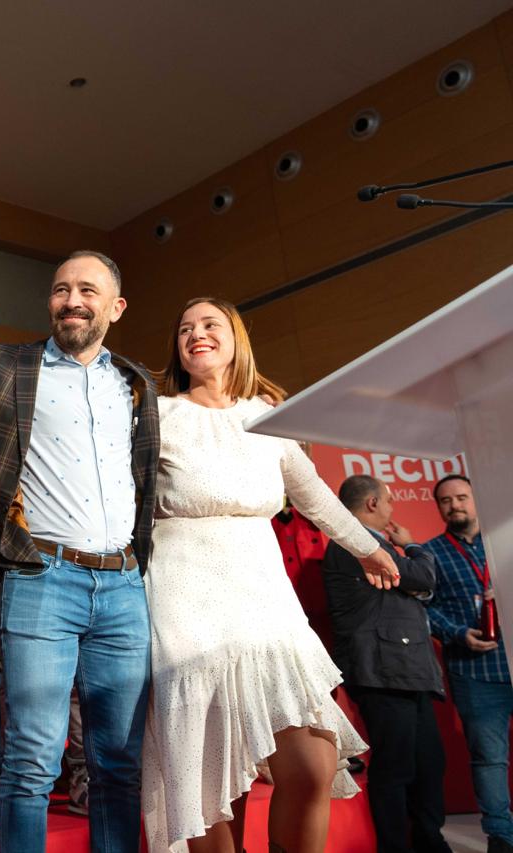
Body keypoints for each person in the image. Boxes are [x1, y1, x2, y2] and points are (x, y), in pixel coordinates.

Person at [141, 296, 399, 853]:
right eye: (185, 327)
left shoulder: (266, 418)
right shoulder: (160, 415)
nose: (197, 334)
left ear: (237, 340)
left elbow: (317, 498)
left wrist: (366, 547)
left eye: (211, 324)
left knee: (311, 762)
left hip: (265, 600)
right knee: (213, 778)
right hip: (186, 601)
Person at [0, 250, 159, 852]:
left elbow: (148, 478)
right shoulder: (3, 364)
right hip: (41, 577)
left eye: (87, 290)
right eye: (60, 290)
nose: (72, 300)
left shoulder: (135, 383)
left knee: (118, 764)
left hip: (125, 586)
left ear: (116, 307)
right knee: (30, 761)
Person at [323, 475, 449, 853]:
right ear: (373, 504)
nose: (394, 510)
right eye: (390, 501)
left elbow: (416, 585)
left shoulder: (367, 543)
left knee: (428, 764)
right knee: (396, 769)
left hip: (405, 669)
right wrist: (412, 544)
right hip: (383, 670)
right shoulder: (355, 541)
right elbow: (422, 576)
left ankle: (430, 842)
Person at [424, 474, 513, 853]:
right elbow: (424, 609)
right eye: (446, 500)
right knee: (490, 760)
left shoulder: (505, 541)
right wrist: (459, 634)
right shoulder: (429, 553)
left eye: (462, 497)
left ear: (477, 499)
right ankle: (502, 838)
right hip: (475, 673)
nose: (455, 505)